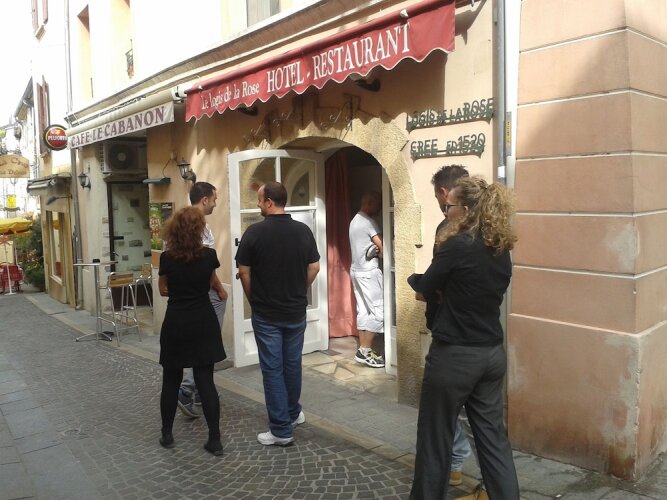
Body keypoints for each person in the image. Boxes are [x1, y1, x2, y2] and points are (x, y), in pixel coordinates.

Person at [410, 176, 520, 500]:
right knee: (493, 440)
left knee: (435, 438)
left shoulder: (457, 245)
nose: (447, 212)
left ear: (466, 210)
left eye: (450, 206)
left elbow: (425, 286)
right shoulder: (500, 248)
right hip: (491, 354)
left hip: (455, 356)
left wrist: (422, 283)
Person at [235, 181, 320, 446]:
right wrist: (299, 288)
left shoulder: (254, 233)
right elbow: (315, 267)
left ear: (269, 202)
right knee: (292, 365)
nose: (258, 204)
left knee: (273, 369)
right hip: (295, 311)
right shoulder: (303, 231)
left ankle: (281, 430)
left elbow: (244, 272)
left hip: (267, 314)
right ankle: (293, 414)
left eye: (260, 200)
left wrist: (254, 299)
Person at [157, 206, 226, 456]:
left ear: (173, 230)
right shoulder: (209, 256)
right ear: (199, 230)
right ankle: (214, 439)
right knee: (206, 381)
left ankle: (167, 434)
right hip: (203, 321)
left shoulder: (167, 258)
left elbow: (162, 289)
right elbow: (210, 282)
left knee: (171, 380)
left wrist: (177, 289)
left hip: (176, 321)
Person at [427, 165, 475, 488]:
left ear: (445, 195)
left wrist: (425, 287)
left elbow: (435, 283)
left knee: (446, 404)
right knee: (475, 413)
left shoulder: (449, 231)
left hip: (451, 332)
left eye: (438, 199)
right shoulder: (488, 231)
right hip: (483, 336)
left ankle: (454, 463)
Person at [177, 182, 228, 418]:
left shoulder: (184, 224)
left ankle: (196, 388)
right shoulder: (198, 228)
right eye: (214, 199)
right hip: (204, 291)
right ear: (205, 200)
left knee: (201, 340)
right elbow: (204, 265)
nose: (216, 204)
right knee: (206, 341)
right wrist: (219, 289)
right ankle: (187, 389)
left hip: (191, 292)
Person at [348, 191, 385, 368]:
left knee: (363, 310)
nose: (380, 208)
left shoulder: (354, 221)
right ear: (369, 203)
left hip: (356, 270)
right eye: (378, 204)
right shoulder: (369, 222)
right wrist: (381, 252)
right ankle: (365, 350)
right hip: (369, 272)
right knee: (380, 312)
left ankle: (363, 352)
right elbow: (384, 248)